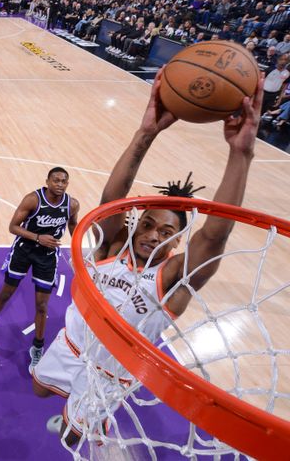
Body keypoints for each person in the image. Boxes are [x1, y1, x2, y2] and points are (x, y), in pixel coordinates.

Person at [32, 69, 264, 446]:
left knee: (74, 438)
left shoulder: (173, 278)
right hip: (71, 345)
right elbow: (111, 202)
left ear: (176, 242)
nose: (153, 234)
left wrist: (241, 153)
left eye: (166, 231)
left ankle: (82, 423)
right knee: (40, 390)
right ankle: (68, 408)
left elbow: (215, 234)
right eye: (148, 224)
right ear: (136, 224)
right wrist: (146, 134)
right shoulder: (113, 247)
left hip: (109, 374)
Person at [0, 168, 79, 373]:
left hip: (48, 256)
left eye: (64, 181)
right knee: (7, 292)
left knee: (42, 305)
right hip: (24, 250)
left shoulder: (72, 204)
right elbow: (13, 227)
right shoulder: (33, 199)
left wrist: (77, 250)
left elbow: (73, 225)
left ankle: (37, 347)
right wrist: (37, 237)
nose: (60, 184)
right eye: (56, 180)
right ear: (48, 181)